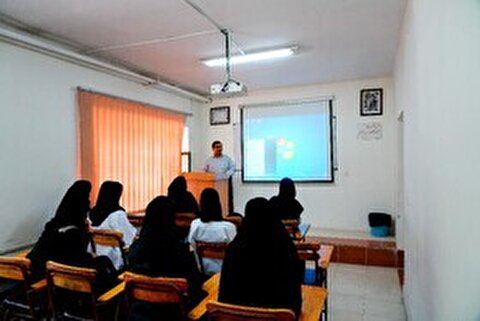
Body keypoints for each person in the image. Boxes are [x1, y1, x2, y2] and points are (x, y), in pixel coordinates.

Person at [27, 180, 117, 292]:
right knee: (102, 263)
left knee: (102, 261)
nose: (89, 202)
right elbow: (74, 259)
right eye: (87, 198)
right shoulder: (74, 232)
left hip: (39, 270)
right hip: (56, 276)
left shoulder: (53, 224)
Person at [218, 197, 302, 317]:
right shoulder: (286, 248)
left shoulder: (234, 248)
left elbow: (224, 294)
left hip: (236, 317)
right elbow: (295, 298)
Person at [127, 196, 205, 321]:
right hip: (174, 314)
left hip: (139, 314)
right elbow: (195, 285)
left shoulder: (135, 249)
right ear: (171, 219)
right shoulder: (180, 251)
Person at [89, 181, 136, 270]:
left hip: (96, 257)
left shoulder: (92, 212)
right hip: (114, 260)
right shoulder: (117, 214)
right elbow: (129, 239)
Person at [188, 188, 236, 276]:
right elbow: (235, 253)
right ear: (218, 204)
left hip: (203, 274)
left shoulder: (195, 225)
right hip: (225, 276)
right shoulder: (229, 227)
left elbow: (192, 250)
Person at [203, 140, 235, 214]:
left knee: (228, 200)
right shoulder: (209, 160)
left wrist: (226, 175)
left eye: (221, 147)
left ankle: (228, 214)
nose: (220, 149)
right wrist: (208, 175)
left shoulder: (227, 158)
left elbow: (233, 168)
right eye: (217, 147)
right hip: (213, 184)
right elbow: (204, 170)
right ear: (213, 149)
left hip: (225, 183)